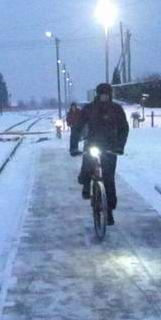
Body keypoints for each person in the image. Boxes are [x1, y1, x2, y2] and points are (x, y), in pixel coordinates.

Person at [69, 83, 129, 225]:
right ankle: (85, 182)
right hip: (92, 143)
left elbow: (124, 129)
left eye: (107, 94)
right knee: (87, 164)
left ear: (110, 95)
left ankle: (109, 210)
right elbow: (77, 128)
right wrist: (73, 147)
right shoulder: (89, 109)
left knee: (109, 179)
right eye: (102, 94)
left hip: (110, 147)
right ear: (98, 94)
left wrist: (119, 146)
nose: (104, 96)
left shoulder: (116, 109)